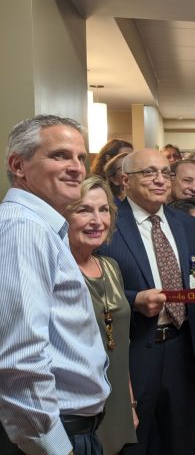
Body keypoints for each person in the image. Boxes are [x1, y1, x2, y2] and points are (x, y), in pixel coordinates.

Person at [99, 148, 195, 455]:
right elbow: (91, 287)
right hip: (135, 353)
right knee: (136, 443)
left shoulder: (187, 225)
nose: (160, 180)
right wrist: (134, 300)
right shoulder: (107, 224)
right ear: (125, 181)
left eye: (165, 173)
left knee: (181, 439)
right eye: (149, 173)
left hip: (184, 349)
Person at [0, 115, 110, 455]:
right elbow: (21, 359)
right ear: (18, 165)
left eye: (81, 157)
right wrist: (54, 447)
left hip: (73, 425)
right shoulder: (23, 229)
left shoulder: (45, 226)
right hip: (55, 432)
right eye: (60, 155)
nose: (77, 167)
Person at [67, 175, 138, 454]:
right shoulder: (58, 271)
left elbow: (121, 343)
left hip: (118, 400)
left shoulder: (110, 266)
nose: (97, 220)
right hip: (79, 412)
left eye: (104, 209)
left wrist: (130, 403)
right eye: (84, 210)